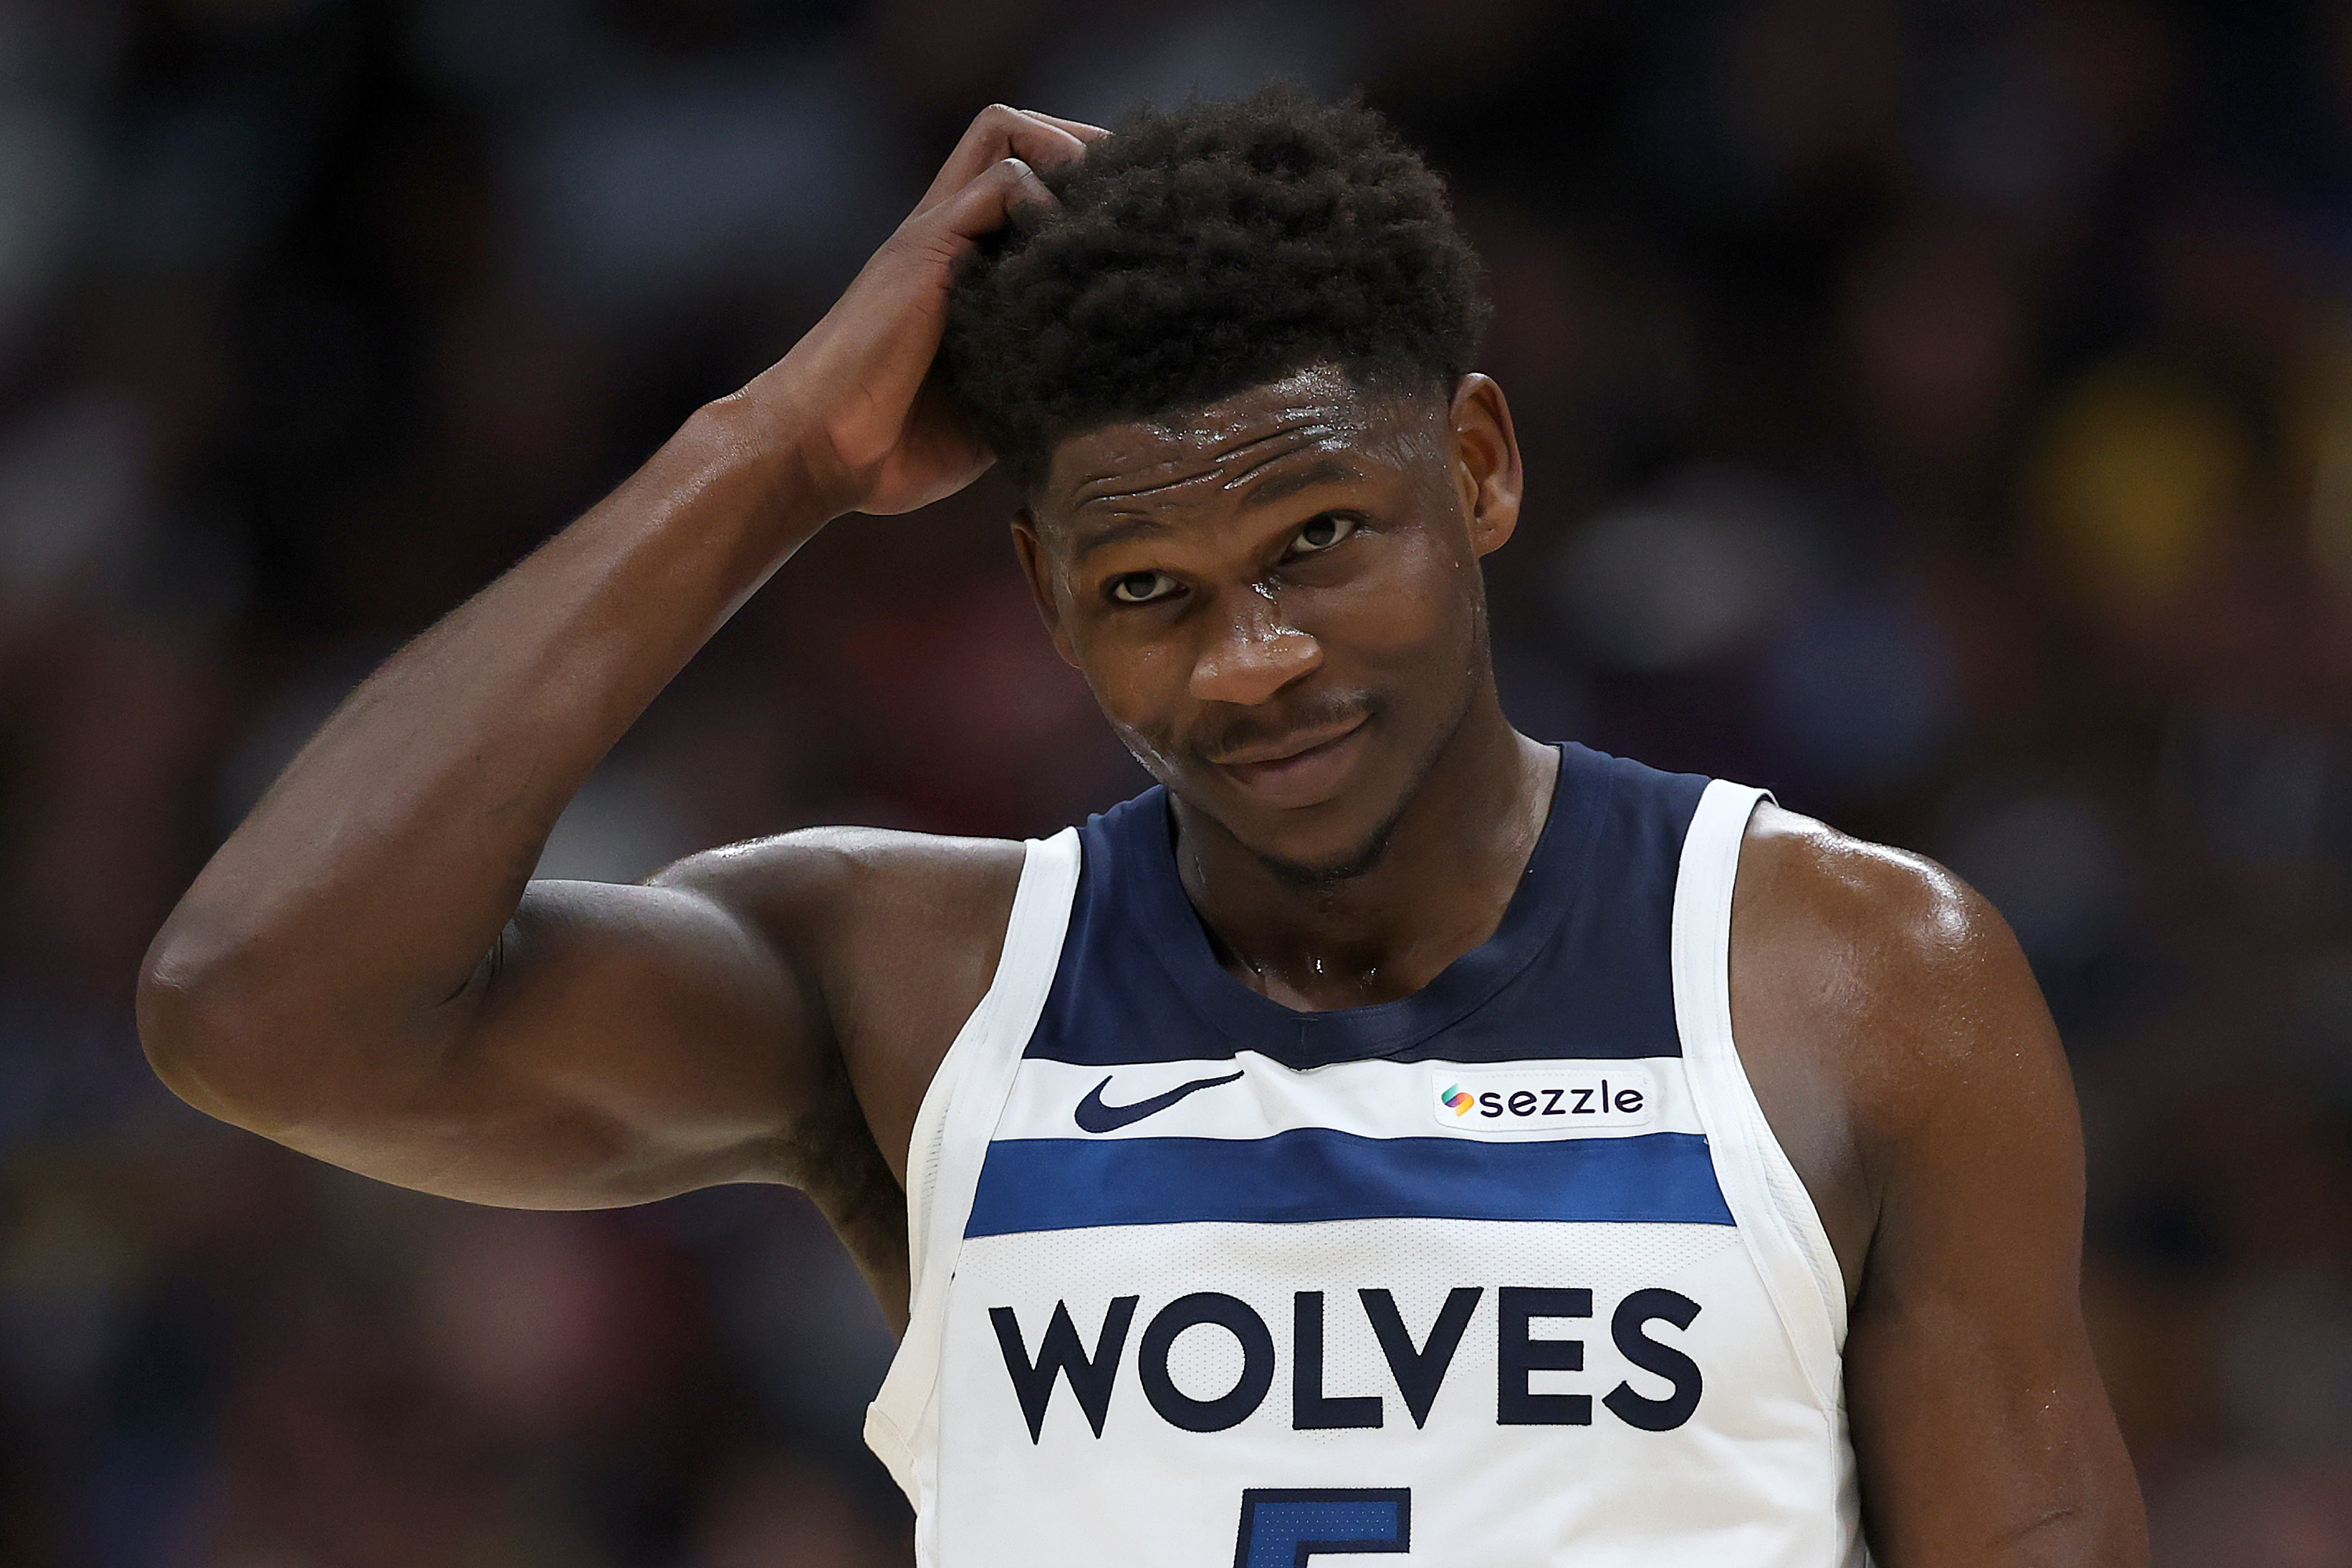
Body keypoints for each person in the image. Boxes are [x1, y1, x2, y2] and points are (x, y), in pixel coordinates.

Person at [140, 89, 2147, 1566]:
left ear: (1478, 464)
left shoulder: (1855, 978)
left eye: (1321, 539)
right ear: (1043, 593)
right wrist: (778, 455)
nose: (1253, 658)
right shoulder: (918, 983)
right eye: (1148, 589)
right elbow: (260, 1005)